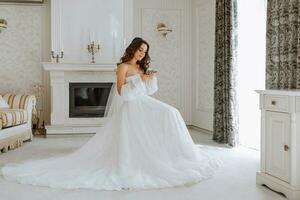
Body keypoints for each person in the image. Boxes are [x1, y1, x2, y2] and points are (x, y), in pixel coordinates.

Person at [1, 37, 220, 190]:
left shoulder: (142, 67)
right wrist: (139, 82)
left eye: (145, 51)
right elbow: (121, 92)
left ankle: (175, 153)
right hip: (132, 105)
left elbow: (150, 91)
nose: (142, 53)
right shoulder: (123, 66)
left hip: (143, 101)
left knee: (172, 112)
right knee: (170, 113)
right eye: (140, 50)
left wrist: (150, 77)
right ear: (132, 49)